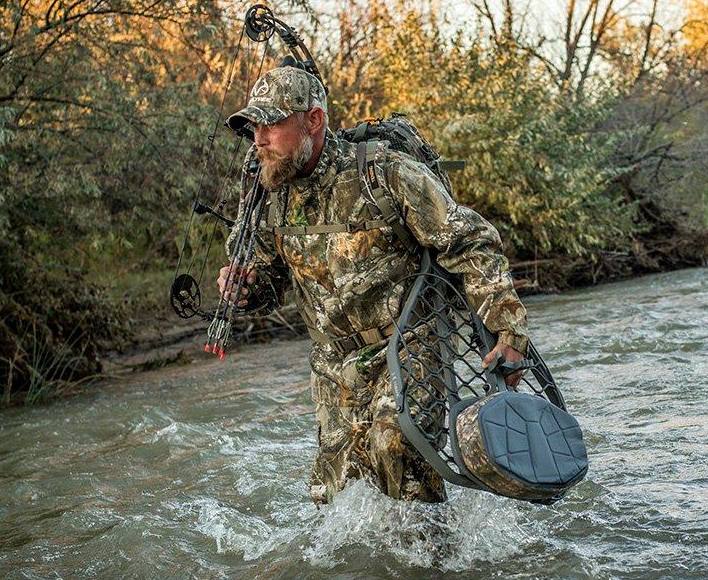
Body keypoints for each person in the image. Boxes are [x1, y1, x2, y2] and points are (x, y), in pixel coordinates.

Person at [216, 66, 529, 506]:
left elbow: (470, 240)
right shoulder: (268, 192)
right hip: (332, 366)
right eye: (254, 126)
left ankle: (437, 571)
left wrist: (508, 330)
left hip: (409, 348)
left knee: (397, 456)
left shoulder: (382, 172)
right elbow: (267, 283)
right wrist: (244, 289)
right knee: (336, 504)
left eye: (272, 123)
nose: (259, 138)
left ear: (313, 121)